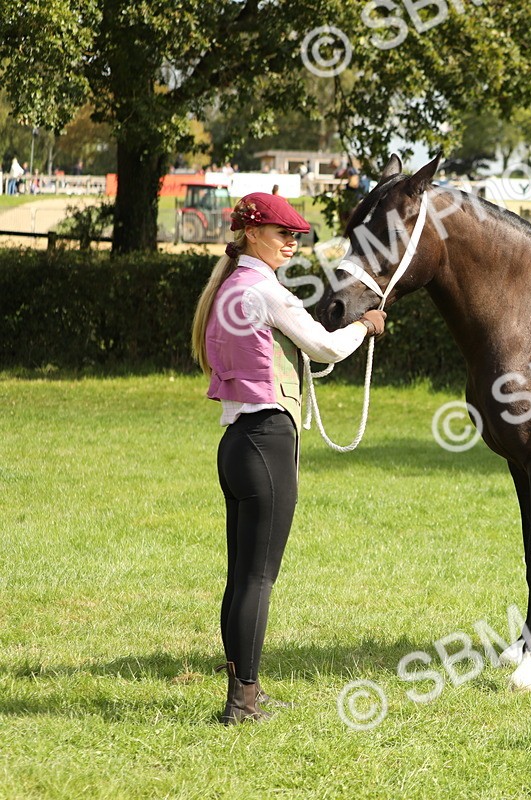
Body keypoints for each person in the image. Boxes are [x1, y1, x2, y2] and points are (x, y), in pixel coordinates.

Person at [190, 193, 387, 725]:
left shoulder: (228, 289)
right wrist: (365, 325)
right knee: (257, 579)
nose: (292, 243)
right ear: (251, 234)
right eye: (282, 233)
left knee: (241, 577)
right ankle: (242, 702)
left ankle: (244, 690)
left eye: (295, 235)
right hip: (268, 438)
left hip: (236, 442)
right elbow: (325, 347)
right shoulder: (264, 290)